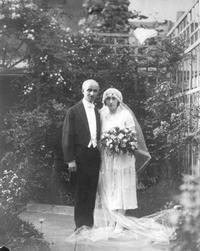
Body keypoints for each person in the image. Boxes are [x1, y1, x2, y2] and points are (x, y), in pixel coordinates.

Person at [62, 79, 101, 231]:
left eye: (95, 91)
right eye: (89, 90)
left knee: (91, 190)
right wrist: (70, 160)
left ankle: (89, 224)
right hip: (79, 157)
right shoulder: (73, 111)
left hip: (94, 156)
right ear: (83, 91)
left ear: (98, 92)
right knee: (80, 191)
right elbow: (67, 137)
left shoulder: (97, 111)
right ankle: (79, 225)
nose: (92, 93)